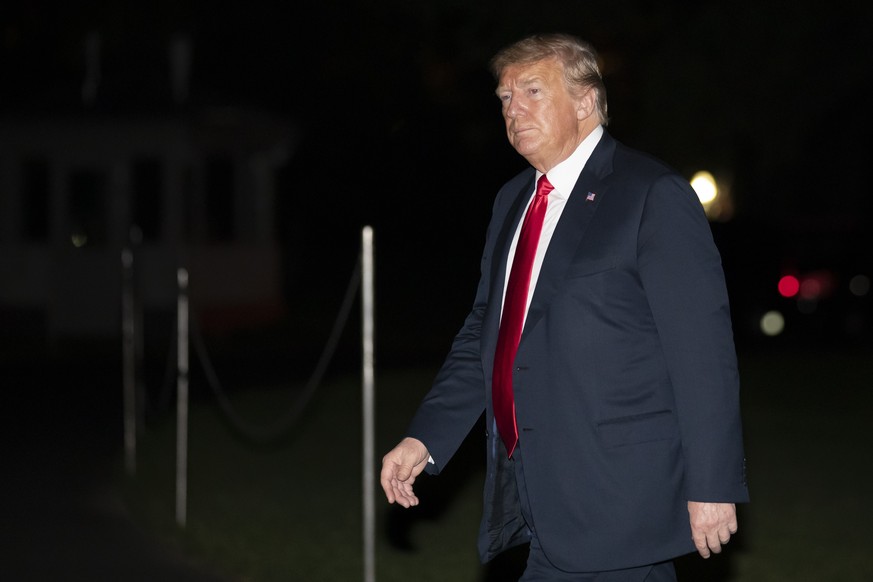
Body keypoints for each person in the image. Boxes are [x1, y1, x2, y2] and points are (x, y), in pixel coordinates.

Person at [380, 32, 749, 581]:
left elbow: (702, 352)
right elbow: (488, 329)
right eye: (505, 97)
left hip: (619, 494)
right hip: (536, 488)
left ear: (585, 102)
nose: (514, 109)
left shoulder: (650, 194)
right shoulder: (513, 200)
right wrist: (427, 435)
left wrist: (712, 485)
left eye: (532, 90)